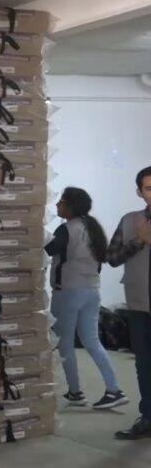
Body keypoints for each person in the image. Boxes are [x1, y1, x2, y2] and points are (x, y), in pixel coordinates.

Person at [47, 187, 127, 409]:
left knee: (64, 343)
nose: (57, 205)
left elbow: (49, 249)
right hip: (91, 291)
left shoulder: (66, 229)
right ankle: (114, 390)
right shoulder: (93, 228)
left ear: (71, 206)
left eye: (61, 202)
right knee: (92, 341)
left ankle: (75, 392)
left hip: (68, 292)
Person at [107, 165, 151, 440]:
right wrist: (139, 241)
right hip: (138, 305)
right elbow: (112, 258)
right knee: (144, 365)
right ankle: (148, 418)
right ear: (139, 192)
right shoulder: (129, 220)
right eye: (149, 188)